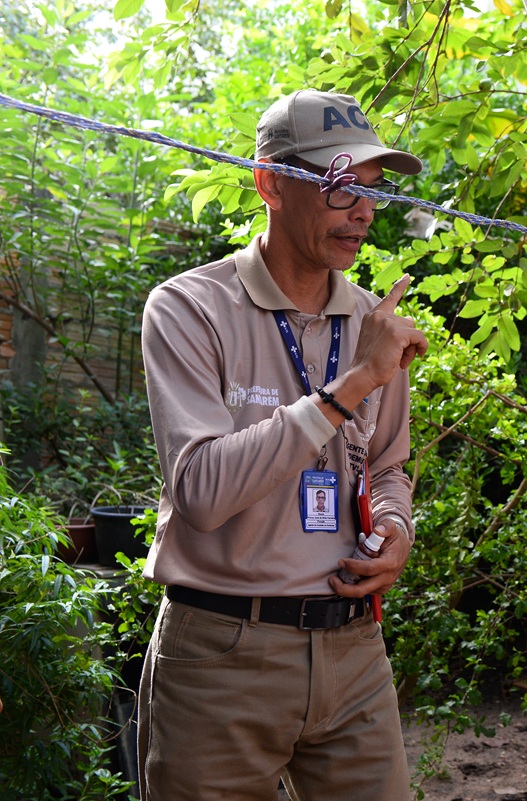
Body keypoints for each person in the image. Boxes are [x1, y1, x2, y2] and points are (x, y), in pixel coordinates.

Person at [138, 89, 428, 800]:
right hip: (221, 651)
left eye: (372, 190)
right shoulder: (188, 309)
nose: (362, 210)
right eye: (340, 185)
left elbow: (388, 466)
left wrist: (395, 525)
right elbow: (201, 492)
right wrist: (353, 383)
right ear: (270, 181)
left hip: (354, 650)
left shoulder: (370, 319)